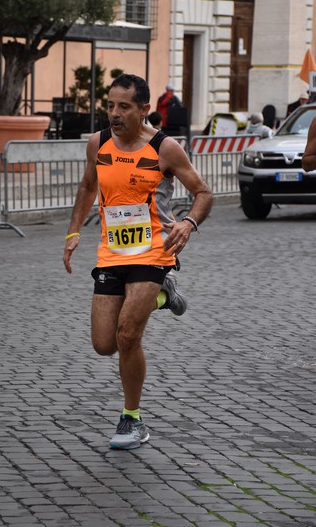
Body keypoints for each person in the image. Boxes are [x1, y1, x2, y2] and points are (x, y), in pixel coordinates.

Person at [63, 74, 212, 450]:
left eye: (124, 107)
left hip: (154, 251)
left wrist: (189, 222)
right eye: (110, 105)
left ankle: (132, 418)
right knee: (103, 344)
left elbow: (203, 192)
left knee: (128, 335)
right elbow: (87, 186)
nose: (114, 113)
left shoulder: (165, 148)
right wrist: (73, 231)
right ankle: (164, 294)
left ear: (144, 109)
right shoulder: (98, 143)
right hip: (112, 252)